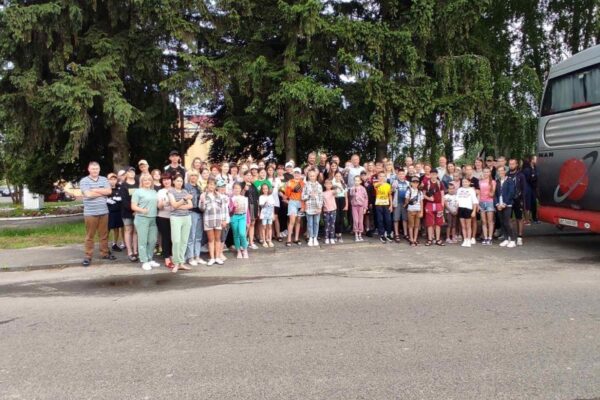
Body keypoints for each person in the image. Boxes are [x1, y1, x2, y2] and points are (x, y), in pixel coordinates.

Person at [79, 162, 116, 266]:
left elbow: (109, 192)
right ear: (89, 169)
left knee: (104, 235)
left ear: (99, 169)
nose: (95, 170)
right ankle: (88, 256)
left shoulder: (104, 179)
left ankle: (105, 253)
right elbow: (88, 194)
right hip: (90, 213)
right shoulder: (84, 181)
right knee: (90, 236)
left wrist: (94, 190)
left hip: (104, 211)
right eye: (93, 168)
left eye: (96, 168)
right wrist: (101, 192)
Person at [131, 174, 160, 270]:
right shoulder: (138, 192)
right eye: (145, 180)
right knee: (143, 241)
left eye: (149, 180)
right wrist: (142, 210)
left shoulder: (154, 191)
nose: (147, 181)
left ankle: (150, 258)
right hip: (142, 218)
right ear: (142, 181)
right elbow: (133, 206)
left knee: (152, 240)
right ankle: (144, 261)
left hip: (153, 218)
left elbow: (157, 204)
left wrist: (162, 203)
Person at [168, 174, 193, 273]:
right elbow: (173, 205)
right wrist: (184, 200)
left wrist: (178, 205)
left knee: (184, 241)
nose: (179, 183)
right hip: (176, 218)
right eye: (177, 181)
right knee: (176, 241)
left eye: (181, 181)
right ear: (174, 181)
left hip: (186, 217)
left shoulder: (185, 191)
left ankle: (181, 262)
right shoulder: (171, 192)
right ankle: (176, 263)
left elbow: (190, 205)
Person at [200, 177, 228, 265]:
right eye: (210, 184)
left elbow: (223, 208)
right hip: (208, 220)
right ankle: (212, 258)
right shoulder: (203, 195)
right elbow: (201, 209)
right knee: (211, 240)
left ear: (215, 186)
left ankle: (217, 257)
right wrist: (202, 201)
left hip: (218, 219)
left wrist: (224, 219)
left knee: (218, 239)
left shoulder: (219, 195)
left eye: (213, 184)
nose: (212, 186)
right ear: (207, 185)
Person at [185, 170, 206, 266]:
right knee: (191, 236)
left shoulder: (199, 187)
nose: (193, 177)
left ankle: (197, 256)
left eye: (195, 175)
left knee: (198, 237)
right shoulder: (186, 187)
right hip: (191, 212)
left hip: (200, 213)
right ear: (189, 177)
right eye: (192, 175)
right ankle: (190, 257)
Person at [119, 166, 138, 262]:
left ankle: (135, 251)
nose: (132, 173)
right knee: (128, 231)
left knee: (136, 231)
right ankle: (130, 252)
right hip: (127, 212)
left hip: (138, 212)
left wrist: (137, 210)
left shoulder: (138, 184)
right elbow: (125, 201)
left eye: (133, 171)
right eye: (130, 171)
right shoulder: (123, 185)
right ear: (126, 173)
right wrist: (133, 210)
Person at [495, 166, 516, 248]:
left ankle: (513, 240)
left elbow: (511, 192)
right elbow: (495, 194)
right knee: (502, 222)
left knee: (507, 222)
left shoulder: (510, 180)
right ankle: (506, 239)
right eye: (499, 171)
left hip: (507, 204)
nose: (500, 172)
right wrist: (497, 204)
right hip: (499, 205)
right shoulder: (497, 181)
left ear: (505, 171)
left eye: (502, 170)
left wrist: (505, 203)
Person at [423, 169, 445, 246]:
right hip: (429, 204)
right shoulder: (427, 183)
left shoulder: (440, 183)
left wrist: (442, 205)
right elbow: (423, 194)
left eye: (435, 174)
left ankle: (438, 239)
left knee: (438, 223)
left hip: (438, 204)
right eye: (432, 174)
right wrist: (429, 198)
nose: (433, 176)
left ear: (437, 175)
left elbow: (442, 195)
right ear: (430, 175)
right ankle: (430, 239)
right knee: (430, 223)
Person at [302, 169, 323, 247]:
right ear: (308, 176)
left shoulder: (319, 186)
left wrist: (320, 207)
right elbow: (302, 197)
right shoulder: (306, 185)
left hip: (317, 207)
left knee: (316, 223)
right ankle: (311, 237)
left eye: (313, 176)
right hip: (309, 207)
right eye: (310, 176)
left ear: (316, 176)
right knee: (310, 223)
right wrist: (309, 195)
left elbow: (321, 197)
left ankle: (315, 238)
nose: (312, 177)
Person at [156, 173, 174, 269]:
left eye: (168, 179)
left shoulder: (175, 189)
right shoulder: (160, 192)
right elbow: (159, 206)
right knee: (166, 237)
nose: (166, 181)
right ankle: (167, 258)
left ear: (171, 180)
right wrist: (162, 204)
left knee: (173, 237)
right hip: (163, 217)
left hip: (174, 217)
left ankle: (172, 255)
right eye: (164, 180)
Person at [284, 167, 305, 246]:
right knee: (292, 220)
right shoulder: (290, 182)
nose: (297, 174)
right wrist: (288, 187)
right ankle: (289, 239)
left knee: (298, 221)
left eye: (298, 173)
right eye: (295, 173)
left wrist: (303, 206)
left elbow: (304, 195)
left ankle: (296, 238)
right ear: (293, 174)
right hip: (292, 202)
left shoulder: (303, 183)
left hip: (301, 203)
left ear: (300, 174)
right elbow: (287, 195)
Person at [456, 177, 479, 248]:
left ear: (469, 183)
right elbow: (457, 200)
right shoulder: (459, 189)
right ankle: (465, 239)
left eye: (466, 182)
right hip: (461, 209)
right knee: (463, 226)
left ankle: (469, 239)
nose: (464, 183)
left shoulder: (471, 190)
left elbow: (474, 201)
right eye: (463, 182)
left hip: (468, 209)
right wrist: (457, 208)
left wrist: (474, 211)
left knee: (468, 226)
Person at [508, 158, 526, 246]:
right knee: (508, 218)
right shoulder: (507, 175)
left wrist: (522, 199)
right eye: (510, 164)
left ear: (516, 165)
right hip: (509, 200)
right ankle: (511, 236)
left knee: (519, 218)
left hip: (518, 199)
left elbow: (524, 188)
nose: (511, 165)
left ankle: (519, 237)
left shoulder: (520, 175)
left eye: (513, 164)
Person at [230, 182, 250, 259]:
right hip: (234, 217)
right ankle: (238, 251)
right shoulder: (231, 199)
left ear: (241, 189)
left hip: (242, 217)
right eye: (235, 188)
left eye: (238, 188)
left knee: (242, 234)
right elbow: (230, 211)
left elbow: (247, 210)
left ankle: (245, 250)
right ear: (233, 189)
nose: (237, 189)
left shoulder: (244, 198)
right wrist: (233, 207)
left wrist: (248, 221)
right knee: (236, 234)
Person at [106, 172, 124, 252]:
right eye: (111, 179)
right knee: (107, 229)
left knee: (116, 228)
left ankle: (115, 244)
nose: (113, 181)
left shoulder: (119, 188)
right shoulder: (105, 188)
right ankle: (105, 245)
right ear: (107, 180)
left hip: (118, 211)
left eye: (114, 179)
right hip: (108, 212)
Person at [374, 171, 393, 243]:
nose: (382, 177)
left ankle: (388, 233)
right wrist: (381, 182)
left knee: (388, 220)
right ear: (378, 177)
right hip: (378, 204)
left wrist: (391, 205)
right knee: (380, 220)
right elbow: (376, 186)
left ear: (385, 177)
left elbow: (390, 195)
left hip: (386, 204)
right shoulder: (376, 184)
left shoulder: (388, 185)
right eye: (380, 176)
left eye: (383, 176)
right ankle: (382, 234)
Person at [479, 167, 496, 245]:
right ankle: (485, 238)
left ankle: (490, 238)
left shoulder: (493, 182)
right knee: (483, 221)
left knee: (490, 221)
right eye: (484, 172)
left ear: (490, 173)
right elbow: (479, 193)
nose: (486, 173)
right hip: (481, 202)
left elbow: (493, 193)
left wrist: (490, 193)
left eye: (487, 172)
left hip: (489, 202)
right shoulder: (480, 181)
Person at [242, 170, 260, 249]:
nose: (249, 177)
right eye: (247, 175)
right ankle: (243, 242)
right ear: (244, 176)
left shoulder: (253, 185)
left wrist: (258, 209)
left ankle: (251, 242)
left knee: (252, 223)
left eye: (250, 175)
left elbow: (257, 198)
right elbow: (240, 196)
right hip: (245, 207)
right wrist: (244, 189)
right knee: (246, 225)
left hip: (254, 206)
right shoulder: (241, 184)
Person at [405, 177, 423, 247]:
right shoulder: (408, 191)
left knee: (416, 226)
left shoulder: (420, 192)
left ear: (418, 184)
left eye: (417, 182)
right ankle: (411, 239)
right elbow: (406, 201)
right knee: (411, 225)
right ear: (411, 183)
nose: (415, 184)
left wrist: (422, 211)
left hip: (418, 210)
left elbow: (421, 202)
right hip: (410, 210)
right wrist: (408, 199)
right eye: (414, 182)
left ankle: (415, 239)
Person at [392, 169, 409, 242]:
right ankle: (396, 234)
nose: (401, 175)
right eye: (400, 174)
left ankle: (405, 234)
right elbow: (392, 191)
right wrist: (393, 188)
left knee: (405, 219)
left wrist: (407, 202)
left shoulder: (407, 183)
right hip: (397, 202)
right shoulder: (395, 182)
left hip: (405, 203)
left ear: (405, 175)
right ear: (397, 175)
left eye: (403, 174)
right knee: (396, 219)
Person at [331, 171, 348, 242]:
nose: (338, 177)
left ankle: (340, 235)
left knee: (341, 218)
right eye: (336, 176)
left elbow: (346, 196)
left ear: (341, 177)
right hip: (335, 200)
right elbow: (331, 194)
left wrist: (346, 205)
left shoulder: (344, 185)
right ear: (334, 177)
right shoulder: (333, 184)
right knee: (336, 218)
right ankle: (335, 234)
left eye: (339, 176)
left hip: (342, 200)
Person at [216, 180, 231, 261]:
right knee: (220, 238)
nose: (223, 188)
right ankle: (219, 253)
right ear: (217, 188)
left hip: (227, 219)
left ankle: (220, 252)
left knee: (224, 237)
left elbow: (227, 209)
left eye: (224, 187)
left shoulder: (226, 197)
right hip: (220, 220)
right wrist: (223, 220)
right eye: (221, 187)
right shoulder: (217, 196)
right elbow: (219, 210)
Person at [258, 183, 275, 248]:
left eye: (266, 189)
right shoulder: (261, 197)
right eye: (264, 189)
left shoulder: (271, 196)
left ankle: (269, 240)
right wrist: (265, 203)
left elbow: (273, 206)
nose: (265, 190)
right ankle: (264, 241)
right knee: (264, 227)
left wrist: (273, 214)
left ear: (268, 189)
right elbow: (261, 206)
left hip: (270, 213)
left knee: (270, 226)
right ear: (262, 190)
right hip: (264, 213)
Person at [322, 179, 337, 244]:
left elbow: (336, 192)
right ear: (324, 185)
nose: (328, 185)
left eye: (329, 184)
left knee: (332, 224)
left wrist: (335, 188)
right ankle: (326, 238)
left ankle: (332, 238)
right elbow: (322, 202)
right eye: (327, 184)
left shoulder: (333, 191)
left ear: (331, 185)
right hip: (326, 210)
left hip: (333, 210)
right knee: (326, 225)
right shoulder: (323, 193)